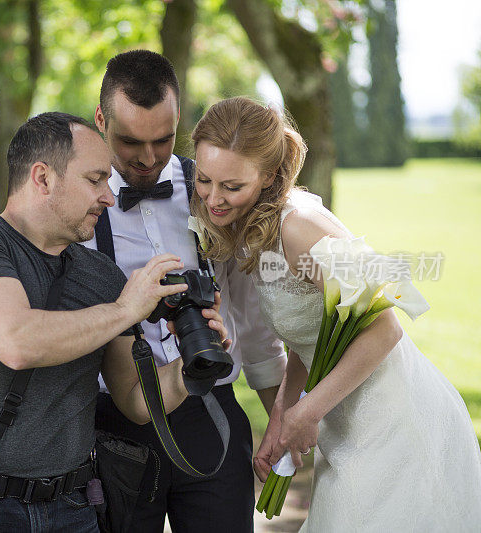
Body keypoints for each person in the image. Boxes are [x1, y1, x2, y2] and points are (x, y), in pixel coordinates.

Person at [0, 111, 229, 532]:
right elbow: (18, 342)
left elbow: (136, 401)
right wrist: (125, 310)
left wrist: (193, 366)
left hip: (74, 508)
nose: (108, 196)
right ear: (43, 178)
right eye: (95, 179)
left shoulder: (101, 275)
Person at [190, 96, 481, 531]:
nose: (214, 199)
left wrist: (307, 414)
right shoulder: (255, 230)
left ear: (269, 176)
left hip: (396, 422)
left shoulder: (299, 225)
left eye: (232, 187)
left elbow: (385, 328)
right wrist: (281, 420)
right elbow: (308, 339)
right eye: (203, 180)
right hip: (345, 428)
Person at [83, 50, 288, 533]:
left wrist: (279, 423)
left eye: (163, 139)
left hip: (210, 409)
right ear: (100, 119)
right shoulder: (79, 202)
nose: (149, 158)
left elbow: (256, 327)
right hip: (114, 424)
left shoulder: (213, 191)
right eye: (130, 141)